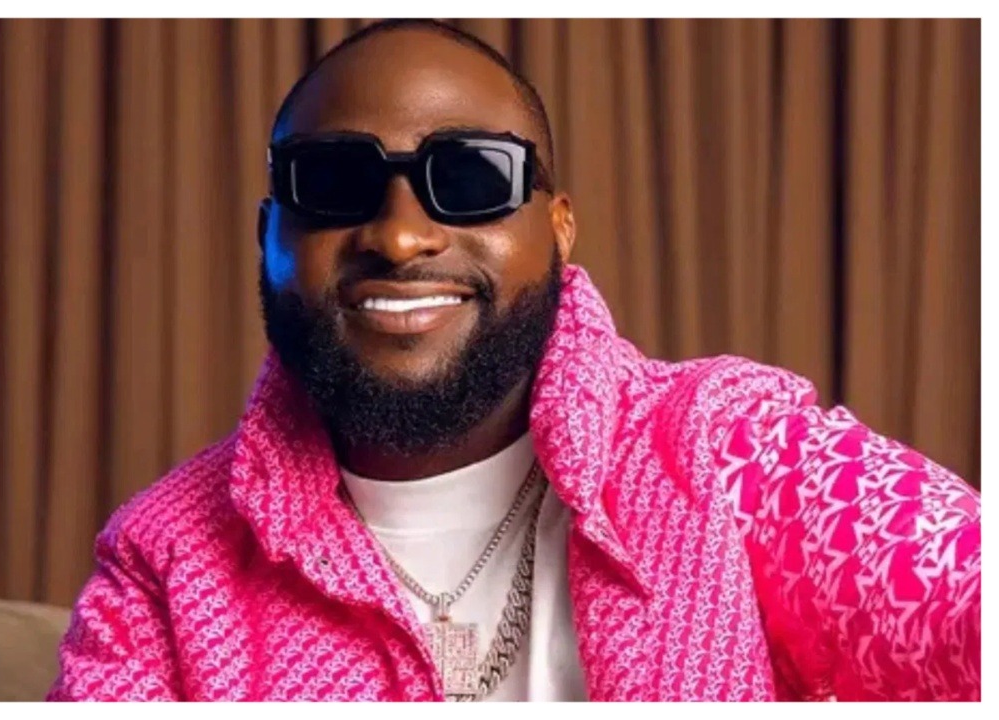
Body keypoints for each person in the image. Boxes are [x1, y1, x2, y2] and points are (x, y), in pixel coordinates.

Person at [48, 19, 980, 702]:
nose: (401, 236)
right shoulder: (167, 560)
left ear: (559, 229)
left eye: (469, 178)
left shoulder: (726, 448)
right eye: (332, 184)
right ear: (268, 237)